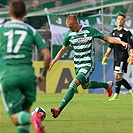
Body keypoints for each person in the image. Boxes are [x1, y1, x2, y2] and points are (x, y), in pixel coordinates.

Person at [48, 14, 130, 118]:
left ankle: (58, 110)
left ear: (77, 23)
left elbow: (107, 38)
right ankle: (107, 85)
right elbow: (63, 49)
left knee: (73, 85)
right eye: (68, 27)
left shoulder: (89, 31)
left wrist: (121, 42)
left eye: (71, 26)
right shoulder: (69, 34)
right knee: (85, 85)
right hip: (77, 65)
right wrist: (53, 61)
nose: (70, 29)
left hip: (88, 64)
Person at [0, 1, 51, 133]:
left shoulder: (2, 29)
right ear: (26, 14)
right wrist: (43, 76)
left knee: (15, 118)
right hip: (28, 77)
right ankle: (32, 118)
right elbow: (47, 56)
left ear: (9, 12)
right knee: (23, 122)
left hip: (9, 76)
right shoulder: (31, 30)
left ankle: (33, 118)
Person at [102, 13, 133, 101]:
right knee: (117, 76)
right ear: (116, 20)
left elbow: (131, 45)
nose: (120, 21)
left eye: (122, 19)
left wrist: (131, 55)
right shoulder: (114, 31)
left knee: (117, 75)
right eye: (118, 19)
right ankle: (130, 90)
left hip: (123, 57)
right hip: (116, 57)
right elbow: (111, 44)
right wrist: (106, 55)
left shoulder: (126, 32)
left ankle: (116, 94)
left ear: (125, 21)